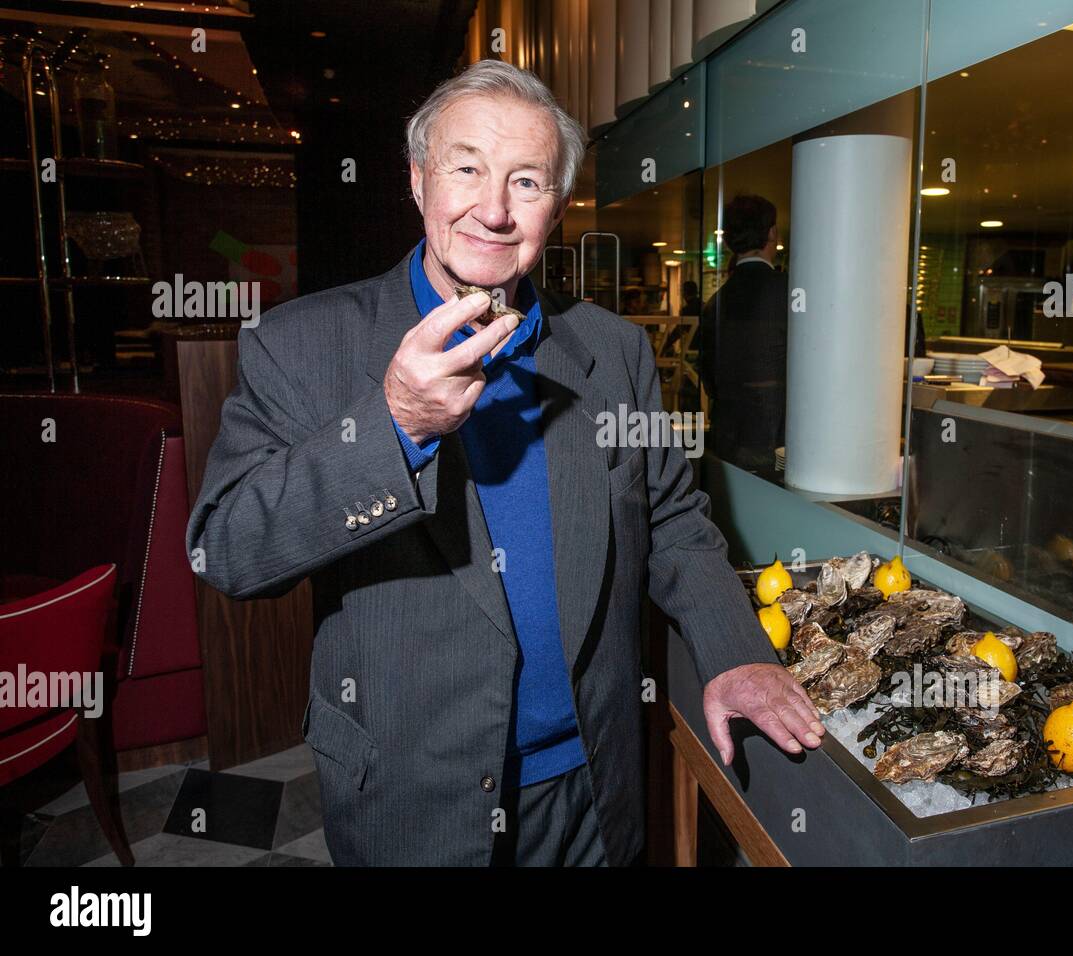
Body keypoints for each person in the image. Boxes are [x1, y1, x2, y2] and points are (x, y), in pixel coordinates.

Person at [186, 60, 822, 867]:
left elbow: (675, 524)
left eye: (526, 181)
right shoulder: (302, 344)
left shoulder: (613, 352)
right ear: (417, 181)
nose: (492, 210)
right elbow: (228, 550)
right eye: (466, 169)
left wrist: (736, 651)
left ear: (556, 206)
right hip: (413, 800)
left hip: (592, 786)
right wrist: (395, 426)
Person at [699, 194, 788, 472]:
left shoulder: (716, 302)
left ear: (728, 241)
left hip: (729, 435)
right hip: (779, 437)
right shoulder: (790, 291)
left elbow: (709, 376)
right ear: (772, 232)